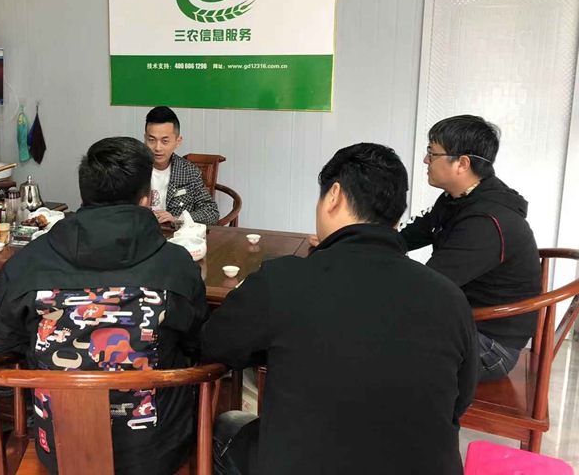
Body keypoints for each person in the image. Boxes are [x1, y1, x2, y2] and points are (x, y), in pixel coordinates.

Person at [203, 143, 478, 475]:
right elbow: (461, 398)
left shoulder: (285, 279)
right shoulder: (449, 296)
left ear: (333, 196)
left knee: (228, 424)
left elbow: (216, 344)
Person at [0, 137, 209, 475]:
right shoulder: (176, 266)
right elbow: (196, 344)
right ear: (146, 199)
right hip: (155, 454)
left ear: (84, 195)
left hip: (58, 451)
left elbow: (3, 347)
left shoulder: (25, 265)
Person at [400, 115, 542, 382]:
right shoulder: (456, 199)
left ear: (462, 163)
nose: (425, 160)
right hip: (465, 322)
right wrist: (354, 240)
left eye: (432, 153)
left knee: (380, 336)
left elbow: (428, 286)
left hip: (491, 346)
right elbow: (408, 235)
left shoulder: (487, 220)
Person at [144, 106, 219, 226]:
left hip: (175, 234)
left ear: (177, 142)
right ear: (145, 139)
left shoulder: (189, 172)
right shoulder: (132, 168)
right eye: (152, 140)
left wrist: (177, 219)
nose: (158, 148)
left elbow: (211, 212)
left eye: (165, 141)